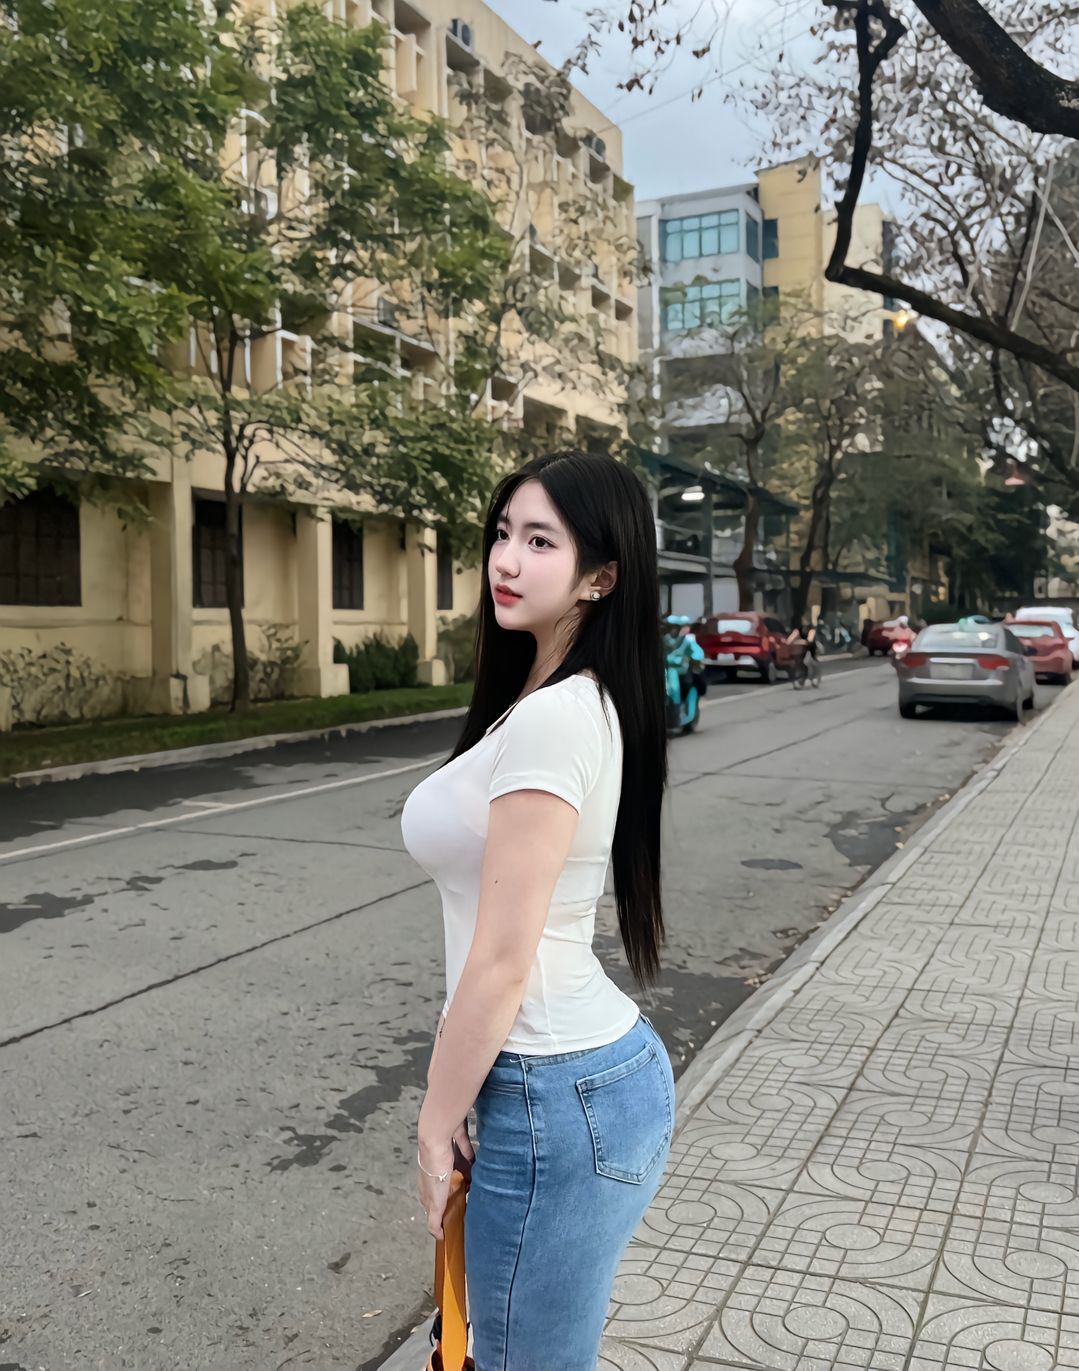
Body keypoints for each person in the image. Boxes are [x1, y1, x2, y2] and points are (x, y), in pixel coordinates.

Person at [400, 451, 675, 1371]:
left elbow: (503, 960)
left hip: (553, 1089)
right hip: (569, 1083)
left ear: (601, 577)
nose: (506, 560)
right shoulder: (547, 700)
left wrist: (435, 1120)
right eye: (502, 533)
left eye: (540, 541)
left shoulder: (558, 716)